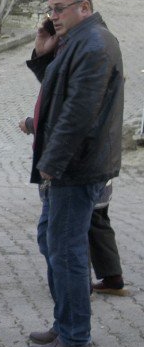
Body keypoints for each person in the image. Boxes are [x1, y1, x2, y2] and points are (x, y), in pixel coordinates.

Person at [24, 0, 124, 347]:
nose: (53, 16)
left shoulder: (96, 44)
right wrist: (43, 51)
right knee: (53, 243)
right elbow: (57, 93)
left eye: (60, 8)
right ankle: (65, 324)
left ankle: (76, 337)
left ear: (84, 7)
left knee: (66, 251)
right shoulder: (76, 43)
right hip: (70, 166)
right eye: (50, 10)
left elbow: (79, 113)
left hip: (77, 168)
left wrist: (52, 163)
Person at [20, 118, 127, 296]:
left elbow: (64, 119)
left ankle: (78, 287)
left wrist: (31, 124)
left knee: (70, 230)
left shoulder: (79, 90)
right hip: (99, 159)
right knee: (96, 219)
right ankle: (111, 276)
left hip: (80, 167)